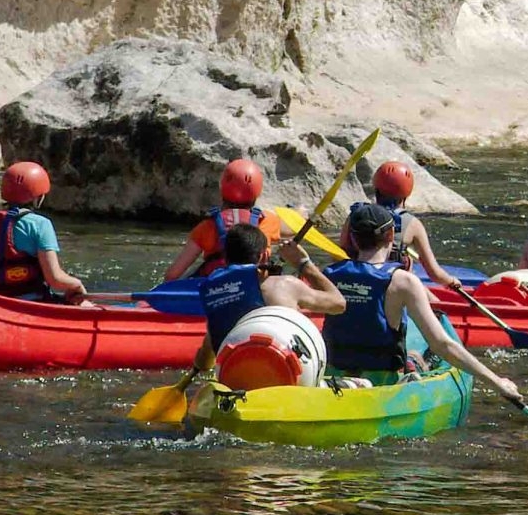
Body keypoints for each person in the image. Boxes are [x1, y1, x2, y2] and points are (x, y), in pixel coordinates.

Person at [325, 204, 527, 403]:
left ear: (353, 238)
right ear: (390, 236)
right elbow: (442, 344)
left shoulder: (328, 275)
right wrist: (498, 382)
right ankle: (413, 368)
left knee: (410, 354)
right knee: (421, 356)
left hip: (333, 379)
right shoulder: (403, 281)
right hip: (382, 385)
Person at [193, 222, 346, 374]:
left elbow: (205, 363)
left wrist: (200, 360)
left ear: (225, 258)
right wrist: (303, 264)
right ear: (264, 255)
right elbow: (339, 304)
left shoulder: (214, 294)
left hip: (233, 379)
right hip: (287, 377)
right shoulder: (285, 285)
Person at [0, 161, 86, 302]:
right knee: (86, 306)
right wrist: (76, 285)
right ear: (39, 196)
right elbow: (54, 279)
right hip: (34, 304)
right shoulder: (41, 224)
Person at [163, 159, 284, 281]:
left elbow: (172, 275)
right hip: (254, 286)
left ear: (223, 187)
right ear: (258, 189)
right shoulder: (269, 221)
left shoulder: (207, 226)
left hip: (216, 291)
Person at [341, 161, 456, 286]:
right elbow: (434, 274)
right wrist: (452, 281)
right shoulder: (412, 224)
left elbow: (341, 253)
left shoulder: (357, 215)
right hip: (393, 285)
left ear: (376, 187)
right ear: (407, 191)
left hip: (354, 280)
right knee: (411, 271)